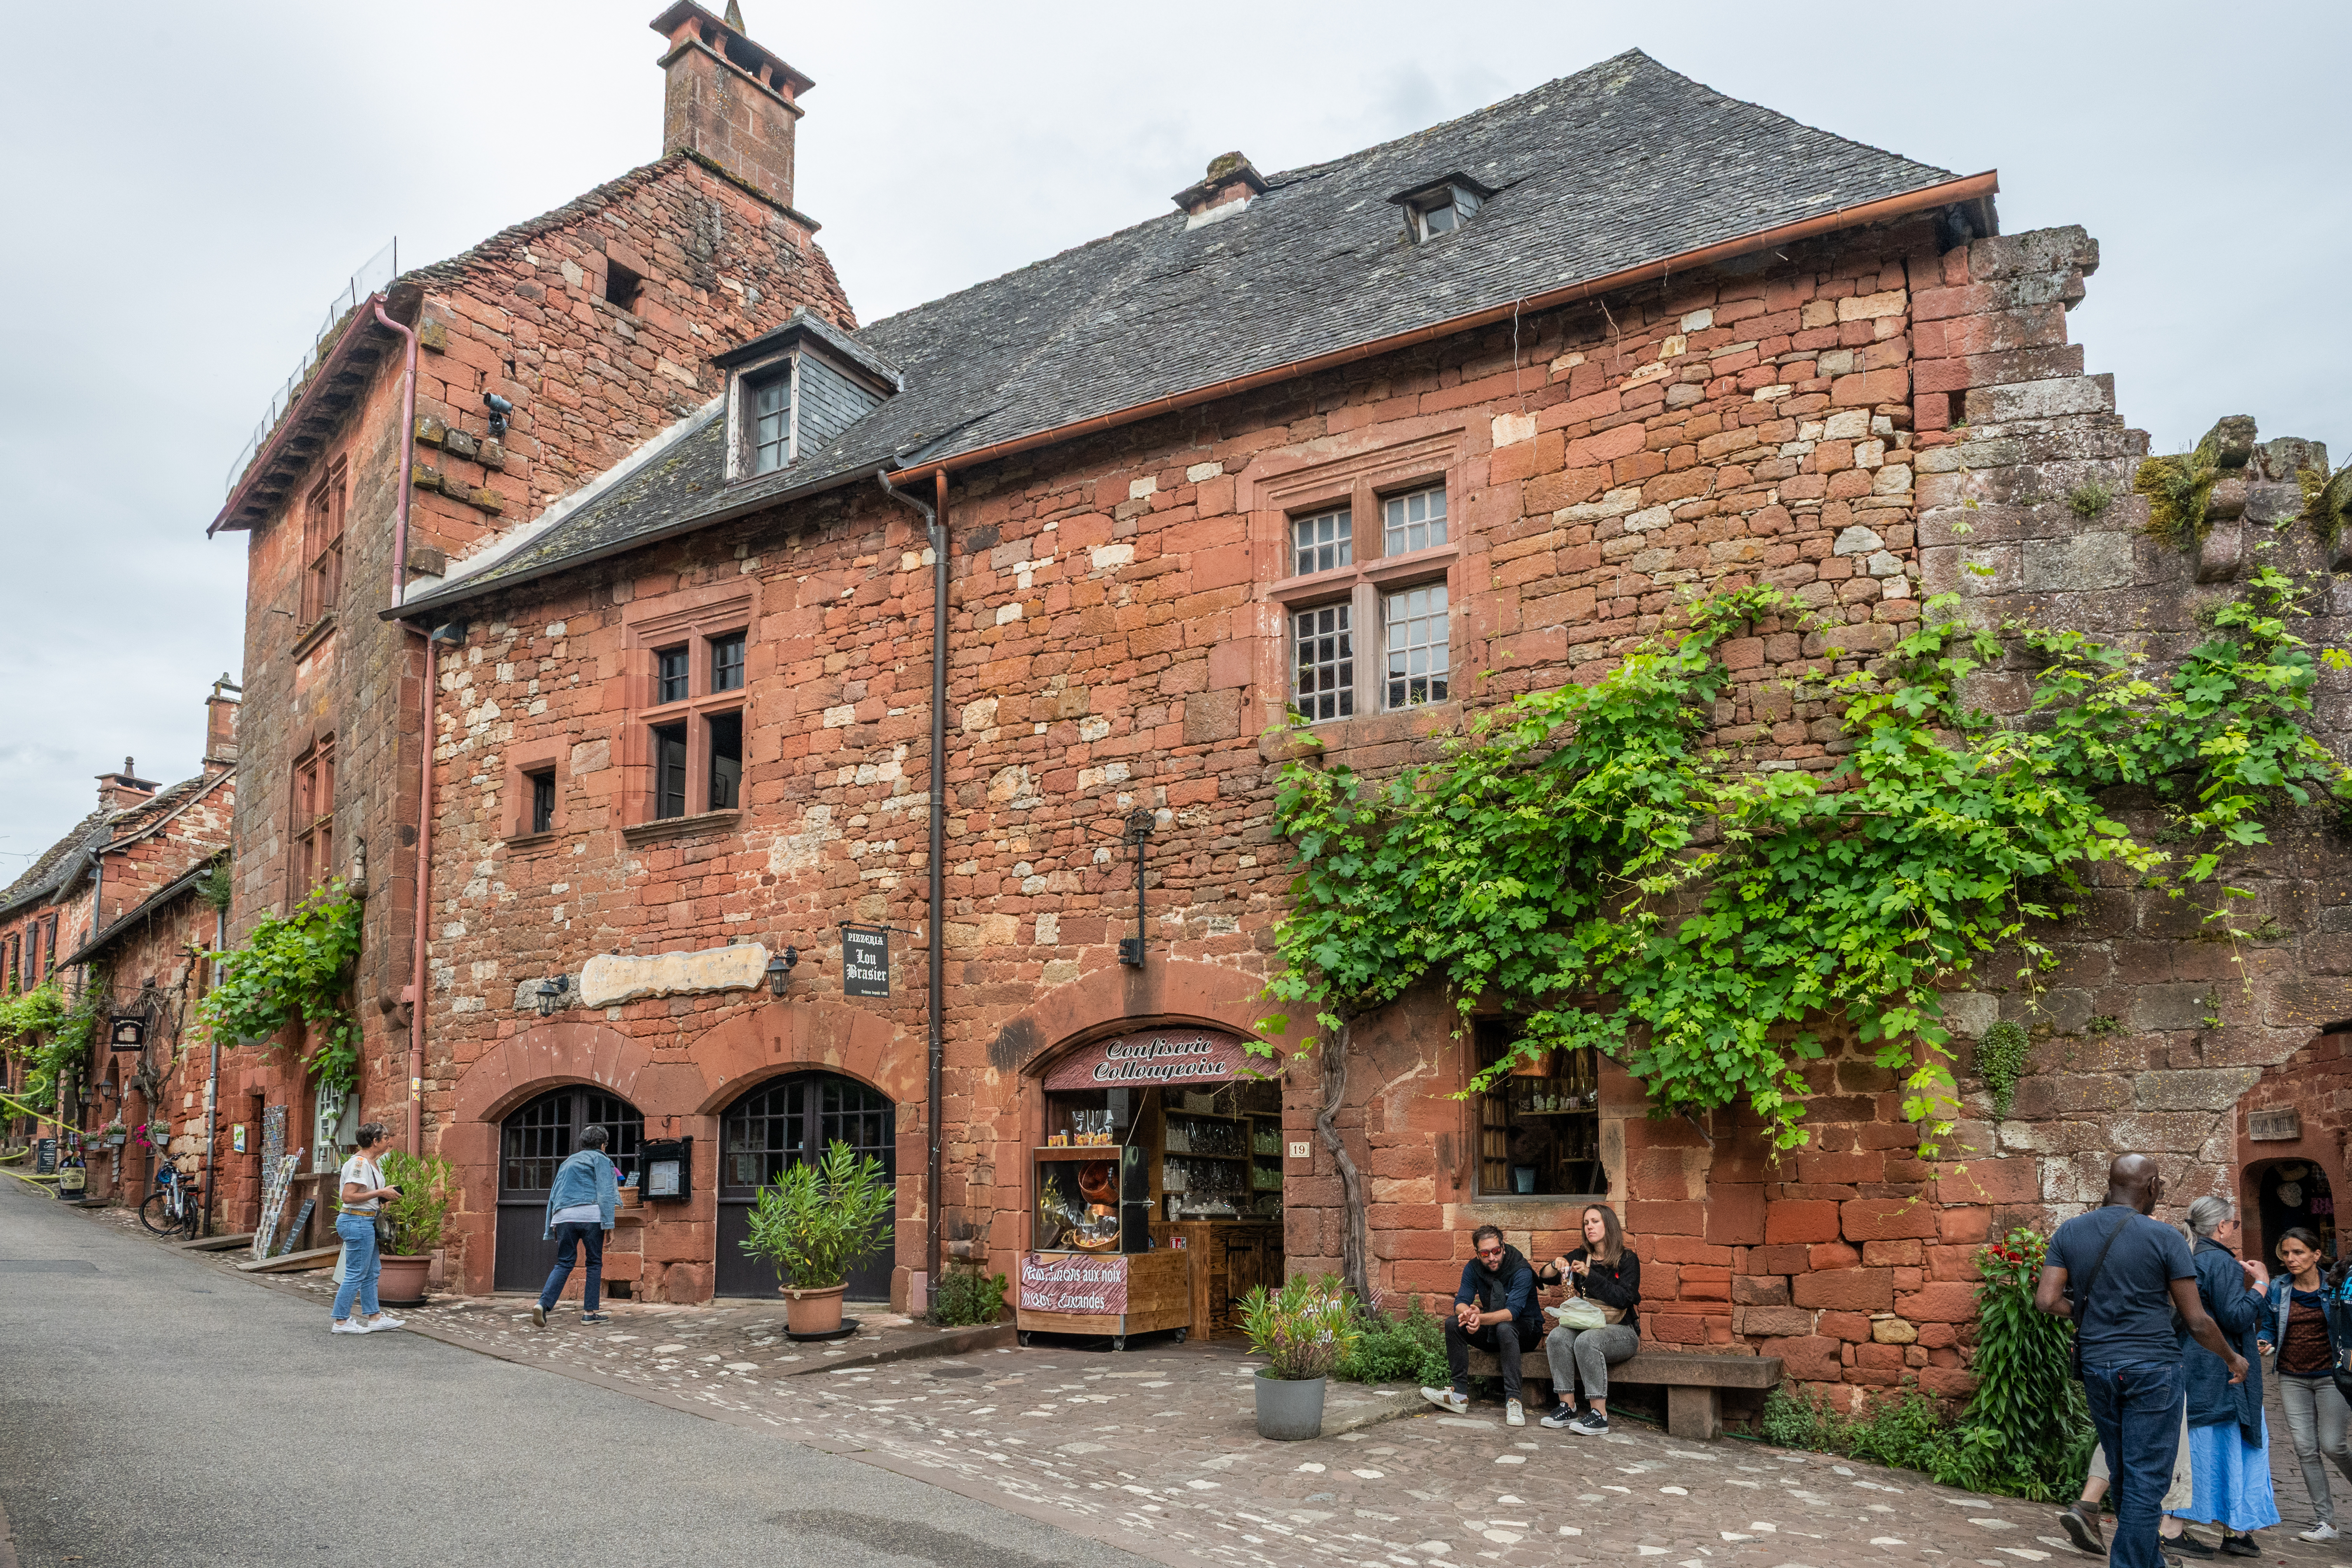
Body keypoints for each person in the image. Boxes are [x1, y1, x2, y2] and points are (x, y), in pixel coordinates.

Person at [2037, 1155, 2247, 1568]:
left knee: (2124, 1472)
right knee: (2148, 1479)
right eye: (2161, 1187)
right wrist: (2233, 1358)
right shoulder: (2165, 1237)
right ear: (2151, 1186)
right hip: (2153, 1366)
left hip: (2098, 1364)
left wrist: (2090, 1314)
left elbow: (2046, 1300)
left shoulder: (2071, 1231)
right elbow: (2197, 1320)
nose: (2160, 1193)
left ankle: (2149, 1560)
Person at [2165, 1197, 2275, 1556]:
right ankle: (2177, 1528)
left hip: (2193, 1363)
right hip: (2222, 1368)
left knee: (2206, 1442)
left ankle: (2235, 1529)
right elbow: (2235, 1317)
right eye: (2234, 1224)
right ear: (2222, 1227)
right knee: (2218, 1443)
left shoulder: (2186, 1257)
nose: (2234, 1229)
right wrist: (2261, 1285)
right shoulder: (2219, 1261)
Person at [2259, 1227, 2352, 1544]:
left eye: (2298, 1252)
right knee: (2305, 1449)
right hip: (2292, 1376)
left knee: (2333, 1445)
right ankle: (2326, 1522)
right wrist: (2264, 1340)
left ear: (2316, 1255)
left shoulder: (2335, 1285)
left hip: (2330, 1376)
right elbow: (2269, 1326)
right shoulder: (2279, 1287)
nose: (2291, 1259)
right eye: (2286, 1253)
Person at [1423, 1225, 1543, 1427]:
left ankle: (1514, 1401)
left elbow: (1512, 1313)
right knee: (1453, 1324)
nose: (1492, 1258)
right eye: (1485, 1254)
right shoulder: (1473, 1268)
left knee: (1505, 1327)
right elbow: (1460, 1302)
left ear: (1503, 1246)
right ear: (1478, 1253)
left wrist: (1480, 1318)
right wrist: (1468, 1314)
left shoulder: (1521, 1270)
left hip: (1526, 1332)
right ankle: (1459, 1395)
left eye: (1496, 1251)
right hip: (1494, 1331)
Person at [1536, 1203, 1641, 1436]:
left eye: (1595, 1222)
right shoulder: (1581, 1256)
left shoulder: (1627, 1259)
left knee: (1587, 1341)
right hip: (1588, 1326)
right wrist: (1556, 1264)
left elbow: (1624, 1299)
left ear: (1608, 1225)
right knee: (1557, 1337)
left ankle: (1599, 1415)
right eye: (1586, 1223)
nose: (1589, 1227)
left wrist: (1589, 1274)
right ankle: (1568, 1407)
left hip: (1621, 1332)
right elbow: (1544, 1277)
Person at [534, 1124, 619, 1328]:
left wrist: (552, 1224)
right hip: (591, 1217)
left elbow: (555, 1194)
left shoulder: (568, 1162)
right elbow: (606, 1193)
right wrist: (610, 1225)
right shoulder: (602, 1160)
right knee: (594, 1263)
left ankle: (543, 1304)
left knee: (564, 1263)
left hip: (564, 1217)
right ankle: (589, 1314)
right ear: (603, 1145)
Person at [332, 1122, 405, 1335]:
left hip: (364, 1221)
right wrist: (380, 1193)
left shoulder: (371, 1163)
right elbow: (348, 1196)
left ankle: (375, 1318)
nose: (389, 1142)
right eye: (386, 1138)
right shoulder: (360, 1164)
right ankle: (341, 1321)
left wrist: (381, 1199)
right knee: (355, 1273)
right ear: (375, 1141)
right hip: (357, 1221)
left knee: (371, 1272)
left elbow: (364, 1193)